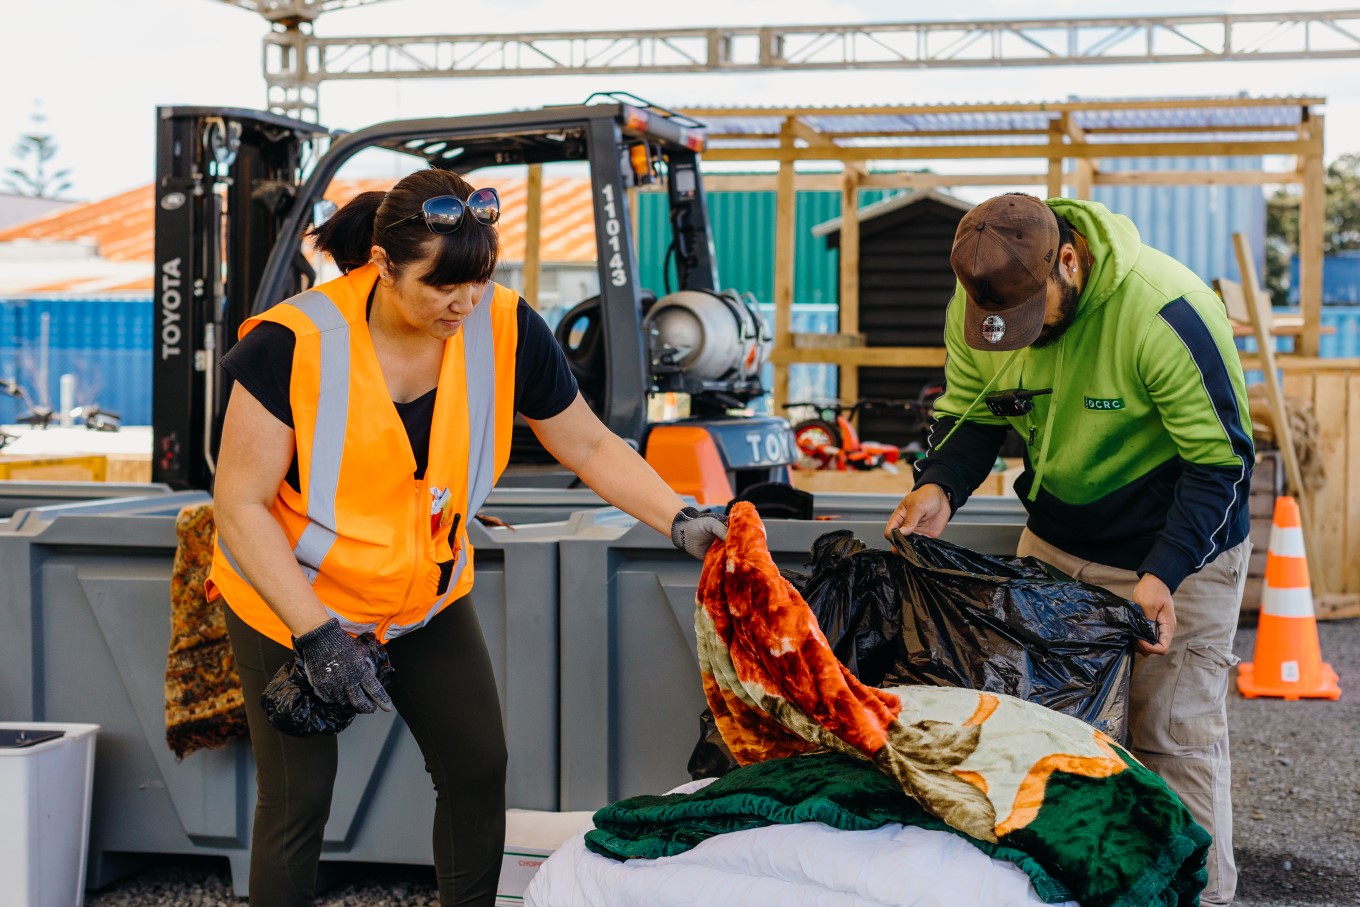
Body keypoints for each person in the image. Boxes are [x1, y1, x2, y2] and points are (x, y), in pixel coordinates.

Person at [206, 167, 727, 907]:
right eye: (441, 285)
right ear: (382, 266)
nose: (464, 303)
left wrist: (678, 516)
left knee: (477, 767)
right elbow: (240, 504)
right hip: (292, 596)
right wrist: (316, 634)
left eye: (479, 281)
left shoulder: (505, 325)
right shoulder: (293, 341)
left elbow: (587, 444)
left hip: (423, 593)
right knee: (299, 798)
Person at [887, 193, 1252, 906]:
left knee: (1168, 734)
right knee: (1046, 729)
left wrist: (1163, 573)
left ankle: (1198, 896)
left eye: (1035, 315)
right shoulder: (981, 304)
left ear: (1067, 260)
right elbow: (973, 413)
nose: (1022, 337)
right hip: (1057, 539)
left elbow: (1220, 464)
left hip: (1176, 549)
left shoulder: (1165, 311)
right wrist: (939, 485)